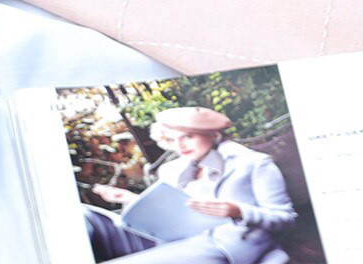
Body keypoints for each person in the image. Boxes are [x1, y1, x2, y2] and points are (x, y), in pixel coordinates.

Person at [85, 105, 297, 263]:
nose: (180, 145)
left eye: (188, 136)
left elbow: (285, 219)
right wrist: (129, 199)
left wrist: (238, 211)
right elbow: (171, 213)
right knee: (83, 216)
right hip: (169, 239)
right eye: (172, 139)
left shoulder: (253, 163)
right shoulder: (172, 169)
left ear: (212, 135)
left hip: (221, 245)